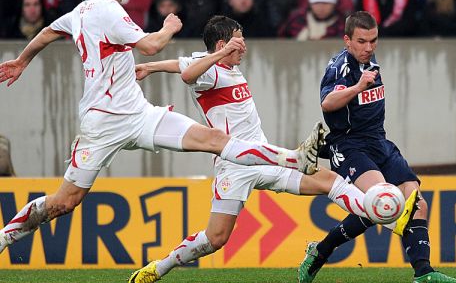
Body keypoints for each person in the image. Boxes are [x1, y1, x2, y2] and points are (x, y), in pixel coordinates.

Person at [0, 0, 322, 255]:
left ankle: (291, 158)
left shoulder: (80, 12)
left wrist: (22, 61)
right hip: (102, 124)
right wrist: (169, 26)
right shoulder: (109, 10)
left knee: (214, 139)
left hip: (139, 115)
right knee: (65, 202)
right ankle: (4, 238)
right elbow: (151, 45)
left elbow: (47, 32)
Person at [128, 15, 415, 283]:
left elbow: (181, 63)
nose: (245, 47)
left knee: (329, 181)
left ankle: (381, 212)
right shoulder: (211, 71)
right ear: (222, 44)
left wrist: (150, 67)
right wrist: (217, 55)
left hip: (264, 157)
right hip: (235, 166)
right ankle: (160, 267)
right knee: (216, 238)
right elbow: (188, 74)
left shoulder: (221, 65)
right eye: (239, 41)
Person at [297, 11, 456, 283]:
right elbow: (327, 103)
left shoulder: (368, 59)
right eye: (362, 41)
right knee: (382, 199)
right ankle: (321, 250)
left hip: (379, 142)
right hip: (350, 146)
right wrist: (358, 87)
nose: (369, 47)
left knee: (417, 204)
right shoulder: (341, 66)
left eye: (373, 41)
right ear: (347, 40)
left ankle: (424, 274)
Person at [278, 0, 347, 40]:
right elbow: (281, 40)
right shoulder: (297, 19)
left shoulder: (343, 23)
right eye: (316, 3)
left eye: (325, 3)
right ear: (310, 4)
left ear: (334, 4)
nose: (321, 7)